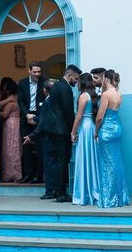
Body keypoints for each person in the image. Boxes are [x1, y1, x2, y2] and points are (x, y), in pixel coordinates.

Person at [39, 65, 79, 203]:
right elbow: (68, 110)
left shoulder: (56, 85)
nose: (76, 82)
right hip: (61, 129)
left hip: (52, 128)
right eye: (75, 79)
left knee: (57, 160)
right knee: (63, 160)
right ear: (69, 75)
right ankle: (61, 193)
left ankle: (56, 190)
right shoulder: (65, 88)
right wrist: (73, 129)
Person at [94, 69, 129, 208]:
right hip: (116, 129)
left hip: (106, 130)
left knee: (106, 165)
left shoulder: (106, 94)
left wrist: (96, 132)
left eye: (102, 78)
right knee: (116, 163)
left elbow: (100, 117)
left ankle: (109, 198)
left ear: (106, 79)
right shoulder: (119, 94)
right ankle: (121, 197)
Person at [70, 72, 100, 205]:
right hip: (92, 127)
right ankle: (93, 189)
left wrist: (73, 132)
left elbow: (79, 116)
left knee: (84, 158)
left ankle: (83, 193)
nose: (77, 84)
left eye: (78, 81)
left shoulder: (83, 96)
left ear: (81, 83)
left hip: (85, 128)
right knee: (92, 159)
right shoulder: (94, 95)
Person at [16, 62, 46, 184]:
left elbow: (46, 100)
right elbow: (20, 101)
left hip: (39, 117)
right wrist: (27, 115)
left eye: (39, 72)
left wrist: (37, 117)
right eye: (35, 72)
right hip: (26, 118)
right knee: (26, 148)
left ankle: (39, 175)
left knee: (39, 148)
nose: (37, 74)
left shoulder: (44, 82)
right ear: (29, 71)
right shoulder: (22, 82)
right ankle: (28, 174)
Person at [0, 78, 22, 183]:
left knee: (10, 150)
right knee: (15, 149)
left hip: (10, 126)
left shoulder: (11, 100)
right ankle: (16, 173)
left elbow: (4, 114)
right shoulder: (16, 98)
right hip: (16, 123)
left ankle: (11, 174)